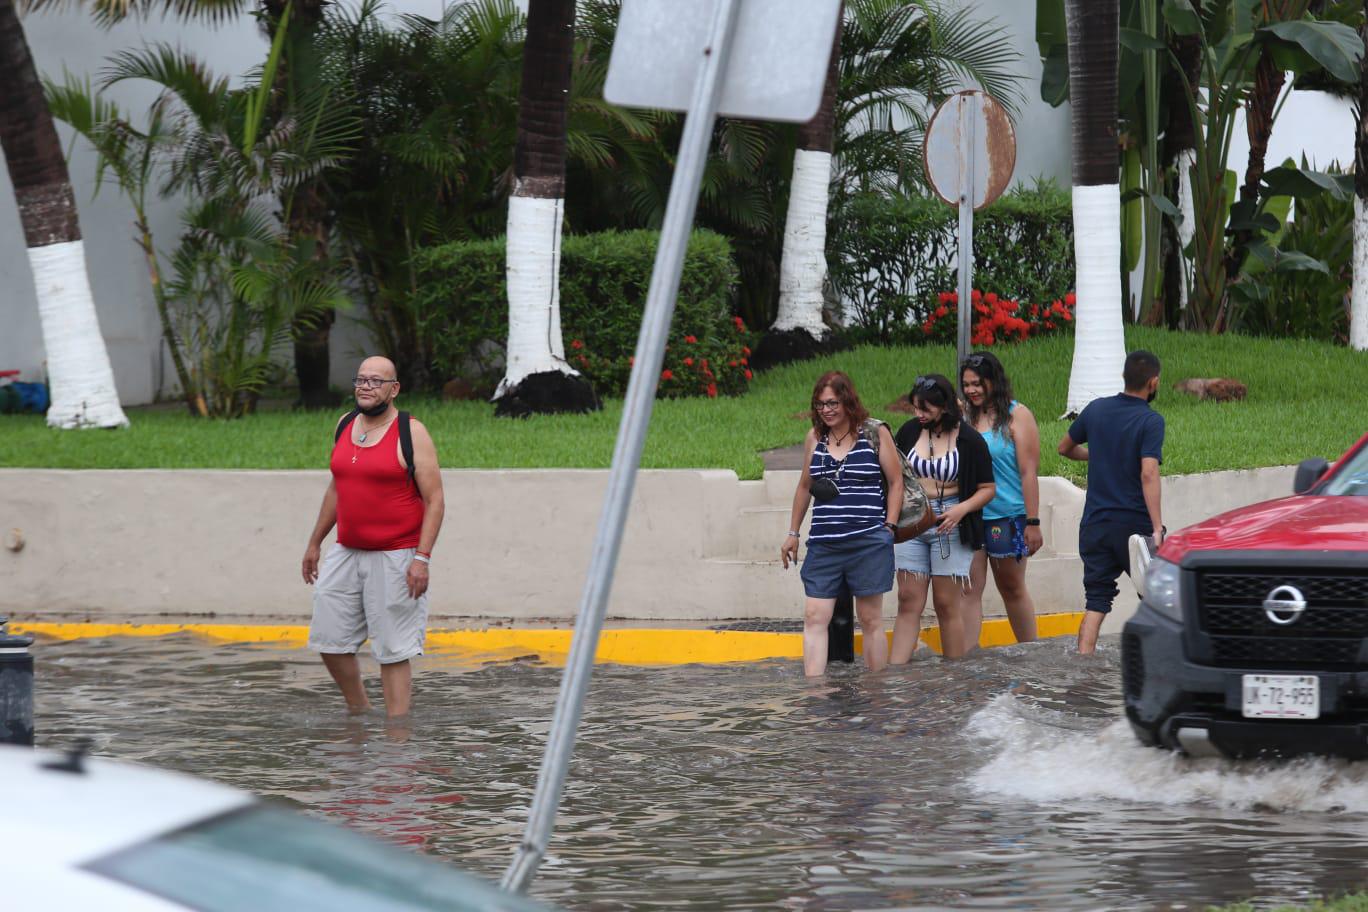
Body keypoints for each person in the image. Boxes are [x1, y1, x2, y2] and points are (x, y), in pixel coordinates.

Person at [301, 356, 446, 717]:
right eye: (361, 380)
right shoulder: (344, 424)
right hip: (346, 551)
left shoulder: (411, 432)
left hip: (396, 555)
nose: (366, 387)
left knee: (392, 650)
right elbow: (337, 487)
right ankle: (360, 713)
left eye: (376, 381)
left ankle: (397, 733)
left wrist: (421, 559)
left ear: (394, 389)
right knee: (329, 639)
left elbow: (435, 500)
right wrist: (315, 541)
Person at [780, 371, 903, 676]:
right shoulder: (815, 437)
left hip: (868, 541)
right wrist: (793, 532)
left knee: (870, 619)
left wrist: (888, 528)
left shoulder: (874, 433)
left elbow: (896, 482)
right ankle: (815, 690)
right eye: (821, 404)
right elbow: (805, 487)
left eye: (833, 403)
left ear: (848, 401)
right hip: (825, 543)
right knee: (814, 616)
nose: (827, 410)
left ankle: (876, 689)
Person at [1057, 350, 1165, 655]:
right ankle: (1156, 664)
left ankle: (1083, 662)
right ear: (1154, 382)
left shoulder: (1096, 409)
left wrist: (1097, 454)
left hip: (1095, 524)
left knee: (1097, 601)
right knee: (1158, 599)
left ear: (1123, 377)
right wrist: (1157, 527)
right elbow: (1148, 472)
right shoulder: (1150, 420)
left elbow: (1064, 448)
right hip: (1134, 526)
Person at [890, 374, 995, 661]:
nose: (919, 414)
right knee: (907, 599)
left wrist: (961, 509)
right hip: (913, 519)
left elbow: (988, 489)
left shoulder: (969, 440)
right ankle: (896, 670)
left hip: (950, 522)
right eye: (915, 408)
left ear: (945, 406)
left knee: (946, 603)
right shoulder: (909, 432)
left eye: (926, 409)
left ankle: (953, 670)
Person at [960, 352, 1042, 646]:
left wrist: (1033, 521)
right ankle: (967, 658)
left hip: (1007, 516)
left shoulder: (1018, 415)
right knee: (968, 589)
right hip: (970, 515)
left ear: (993, 381)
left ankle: (1029, 650)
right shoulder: (963, 417)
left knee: (1011, 587)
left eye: (977, 383)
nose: (971, 390)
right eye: (966, 384)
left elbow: (1028, 472)